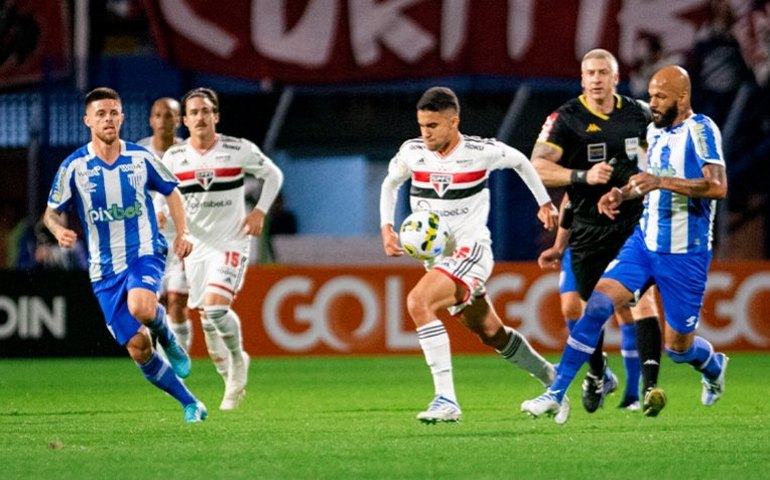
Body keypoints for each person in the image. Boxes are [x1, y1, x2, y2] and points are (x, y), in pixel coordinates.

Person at [522, 65, 729, 424]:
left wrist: (661, 181)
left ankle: (712, 365)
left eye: (661, 97)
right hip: (643, 242)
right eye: (651, 95)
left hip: (685, 253)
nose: (653, 103)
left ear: (682, 98)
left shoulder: (701, 129)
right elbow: (641, 178)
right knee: (598, 305)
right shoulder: (653, 130)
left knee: (678, 348)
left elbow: (717, 187)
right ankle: (554, 394)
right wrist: (619, 193)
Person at [380, 86, 564, 424]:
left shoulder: (480, 151)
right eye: (422, 126)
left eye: (433, 126)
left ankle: (446, 399)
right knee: (491, 332)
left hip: (471, 251)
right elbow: (390, 184)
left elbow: (522, 161)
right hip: (439, 260)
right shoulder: (412, 152)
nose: (426, 133)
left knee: (418, 302)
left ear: (454, 122)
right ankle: (554, 380)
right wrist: (387, 227)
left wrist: (544, 203)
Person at [43, 87, 206, 423]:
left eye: (114, 112)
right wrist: (59, 231)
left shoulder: (140, 158)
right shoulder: (74, 167)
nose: (108, 119)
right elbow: (50, 212)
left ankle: (168, 337)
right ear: (88, 120)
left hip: (144, 251)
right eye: (101, 113)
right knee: (138, 348)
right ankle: (191, 404)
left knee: (142, 307)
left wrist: (183, 232)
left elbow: (172, 192)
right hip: (104, 270)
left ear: (122, 117)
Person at [531, 48, 664, 415]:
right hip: (589, 229)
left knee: (640, 302)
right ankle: (598, 372)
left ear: (616, 77)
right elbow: (537, 166)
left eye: (603, 72)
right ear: (582, 78)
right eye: (590, 72)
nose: (596, 78)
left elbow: (665, 148)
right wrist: (582, 176)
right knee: (584, 307)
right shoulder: (566, 118)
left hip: (635, 224)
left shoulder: (639, 114)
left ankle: (646, 390)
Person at [163, 87, 284, 410]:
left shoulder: (237, 149)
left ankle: (238, 361)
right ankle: (228, 377)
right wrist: (170, 223)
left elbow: (273, 175)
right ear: (184, 121)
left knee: (216, 309)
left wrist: (259, 211)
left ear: (216, 116)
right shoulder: (174, 158)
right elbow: (165, 197)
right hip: (196, 248)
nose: (200, 117)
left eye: (206, 111)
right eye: (194, 112)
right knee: (206, 318)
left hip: (231, 241)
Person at [136, 97, 192, 350]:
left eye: (169, 115)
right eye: (157, 115)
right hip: (148, 241)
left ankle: (179, 362)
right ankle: (161, 358)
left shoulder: (189, 154)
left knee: (178, 302)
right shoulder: (137, 155)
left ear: (179, 120)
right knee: (150, 305)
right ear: (150, 120)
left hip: (182, 238)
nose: (162, 121)